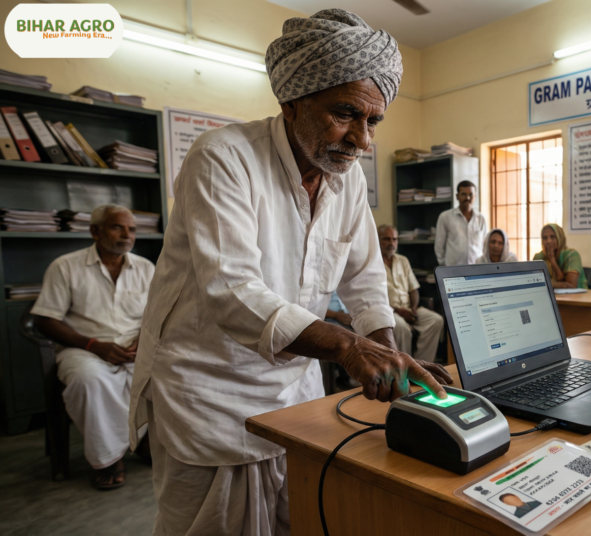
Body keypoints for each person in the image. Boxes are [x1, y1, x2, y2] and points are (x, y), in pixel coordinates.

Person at [127, 10, 451, 535]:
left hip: (293, 397)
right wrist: (349, 347)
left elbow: (366, 280)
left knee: (297, 519)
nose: (362, 140)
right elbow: (231, 291)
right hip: (209, 394)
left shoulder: (344, 182)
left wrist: (389, 352)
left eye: (374, 121)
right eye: (346, 113)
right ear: (292, 101)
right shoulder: (223, 158)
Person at [31, 205, 155, 490]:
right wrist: (94, 345)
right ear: (94, 231)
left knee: (173, 369)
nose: (127, 235)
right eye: (117, 227)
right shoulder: (65, 266)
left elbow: (156, 315)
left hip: (136, 348)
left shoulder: (146, 268)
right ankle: (109, 459)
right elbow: (45, 321)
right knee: (90, 380)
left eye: (132, 229)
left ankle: (147, 439)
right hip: (84, 348)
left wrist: (143, 340)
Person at [378, 224, 445, 362]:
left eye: (394, 239)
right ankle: (404, 370)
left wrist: (413, 308)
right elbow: (374, 298)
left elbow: (413, 289)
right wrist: (398, 311)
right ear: (378, 239)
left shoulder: (403, 260)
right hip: (388, 311)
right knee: (401, 327)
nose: (392, 243)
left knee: (436, 320)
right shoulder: (372, 263)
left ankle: (422, 366)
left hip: (409, 309)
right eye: (387, 239)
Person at [435, 180, 486, 266]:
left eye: (471, 194)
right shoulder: (445, 217)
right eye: (463, 194)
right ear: (457, 196)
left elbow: (485, 246)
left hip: (476, 270)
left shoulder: (481, 219)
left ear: (475, 196)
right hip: (453, 270)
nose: (468, 198)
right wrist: (445, 265)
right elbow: (439, 247)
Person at [533, 223, 587, 289]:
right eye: (545, 238)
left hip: (577, 297)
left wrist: (553, 262)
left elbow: (571, 286)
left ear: (560, 237)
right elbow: (534, 283)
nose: (548, 241)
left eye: (552, 236)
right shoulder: (538, 257)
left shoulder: (572, 255)